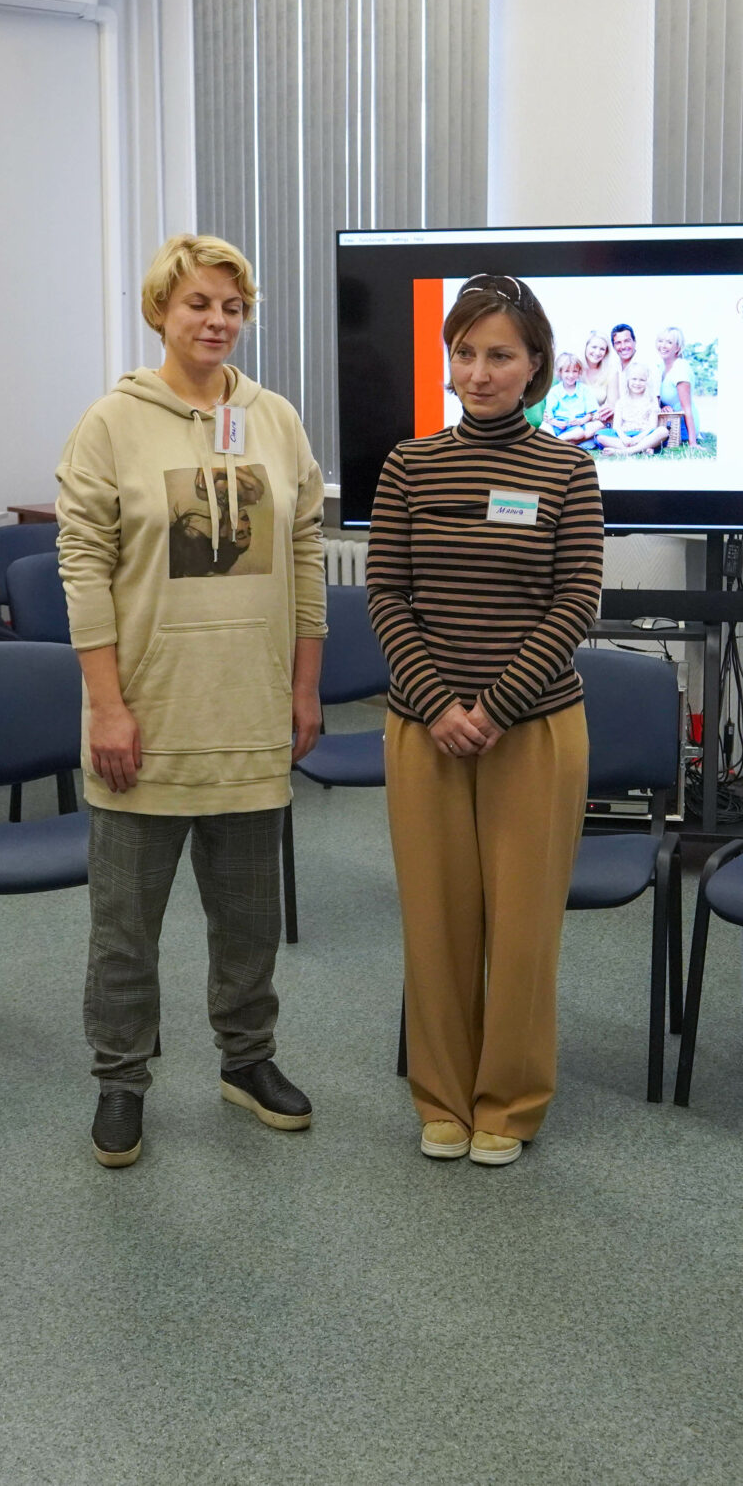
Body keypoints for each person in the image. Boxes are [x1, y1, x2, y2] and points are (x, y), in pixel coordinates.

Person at [54, 233, 328, 1169]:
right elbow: (84, 569)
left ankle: (247, 1059)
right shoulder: (111, 424)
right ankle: (121, 1080)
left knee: (249, 920)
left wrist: (304, 686)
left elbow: (304, 558)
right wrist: (106, 706)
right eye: (198, 303)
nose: (216, 320)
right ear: (160, 312)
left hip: (250, 713)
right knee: (124, 931)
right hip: (147, 716)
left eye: (232, 306)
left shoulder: (275, 420)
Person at [369, 274, 604, 1166]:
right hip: (423, 729)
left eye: (500, 354)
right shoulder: (409, 464)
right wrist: (437, 703)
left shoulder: (568, 470)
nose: (479, 371)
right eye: (464, 352)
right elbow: (386, 593)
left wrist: (497, 706)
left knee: (522, 927)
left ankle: (508, 1101)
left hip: (533, 731)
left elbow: (575, 601)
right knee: (435, 922)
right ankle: (441, 1096)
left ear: (535, 363)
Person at [600, 363, 671, 456]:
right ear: (627, 380)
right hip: (625, 436)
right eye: (634, 379)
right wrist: (624, 438)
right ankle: (642, 449)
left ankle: (625, 451)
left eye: (642, 380)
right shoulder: (621, 402)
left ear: (647, 382)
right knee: (600, 436)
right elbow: (616, 426)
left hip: (645, 435)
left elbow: (652, 426)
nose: (637, 383)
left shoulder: (652, 400)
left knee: (663, 431)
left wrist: (639, 438)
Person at [543, 347, 604, 448]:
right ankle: (563, 442)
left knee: (598, 425)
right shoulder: (554, 391)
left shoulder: (585, 390)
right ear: (560, 372)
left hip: (578, 426)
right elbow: (548, 417)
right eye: (567, 371)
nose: (571, 375)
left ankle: (558, 442)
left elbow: (590, 414)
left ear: (579, 372)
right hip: (559, 425)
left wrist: (581, 421)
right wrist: (557, 423)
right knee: (544, 428)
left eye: (574, 371)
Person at [655, 327, 699, 444]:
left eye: (669, 342)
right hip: (669, 421)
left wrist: (692, 442)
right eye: (660, 341)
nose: (663, 345)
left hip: (682, 427)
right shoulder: (661, 367)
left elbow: (687, 408)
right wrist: (663, 407)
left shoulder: (680, 369)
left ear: (678, 348)